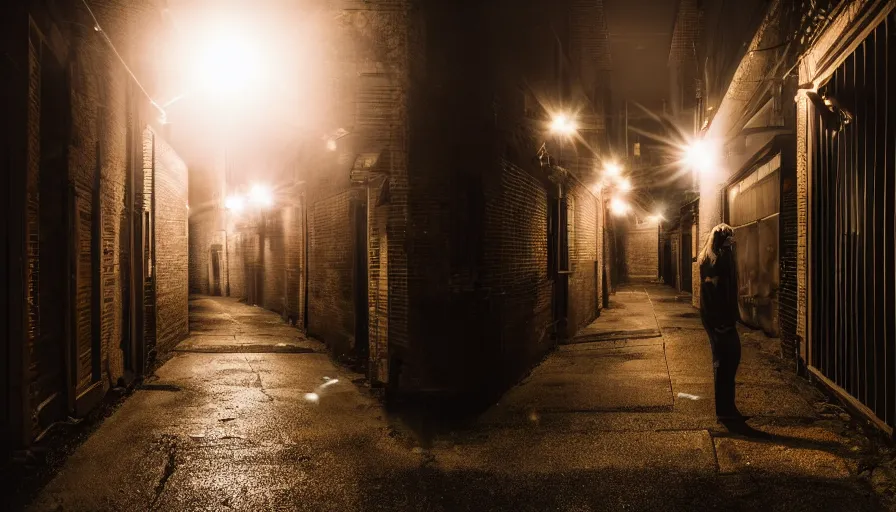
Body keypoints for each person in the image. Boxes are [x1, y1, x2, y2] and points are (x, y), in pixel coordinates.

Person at [698, 223, 744, 421]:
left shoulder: (712, 257)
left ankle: (726, 409)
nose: (733, 241)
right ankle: (726, 411)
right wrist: (722, 322)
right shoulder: (719, 259)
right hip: (720, 320)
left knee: (724, 362)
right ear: (723, 240)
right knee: (727, 362)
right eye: (730, 238)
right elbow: (716, 292)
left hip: (716, 318)